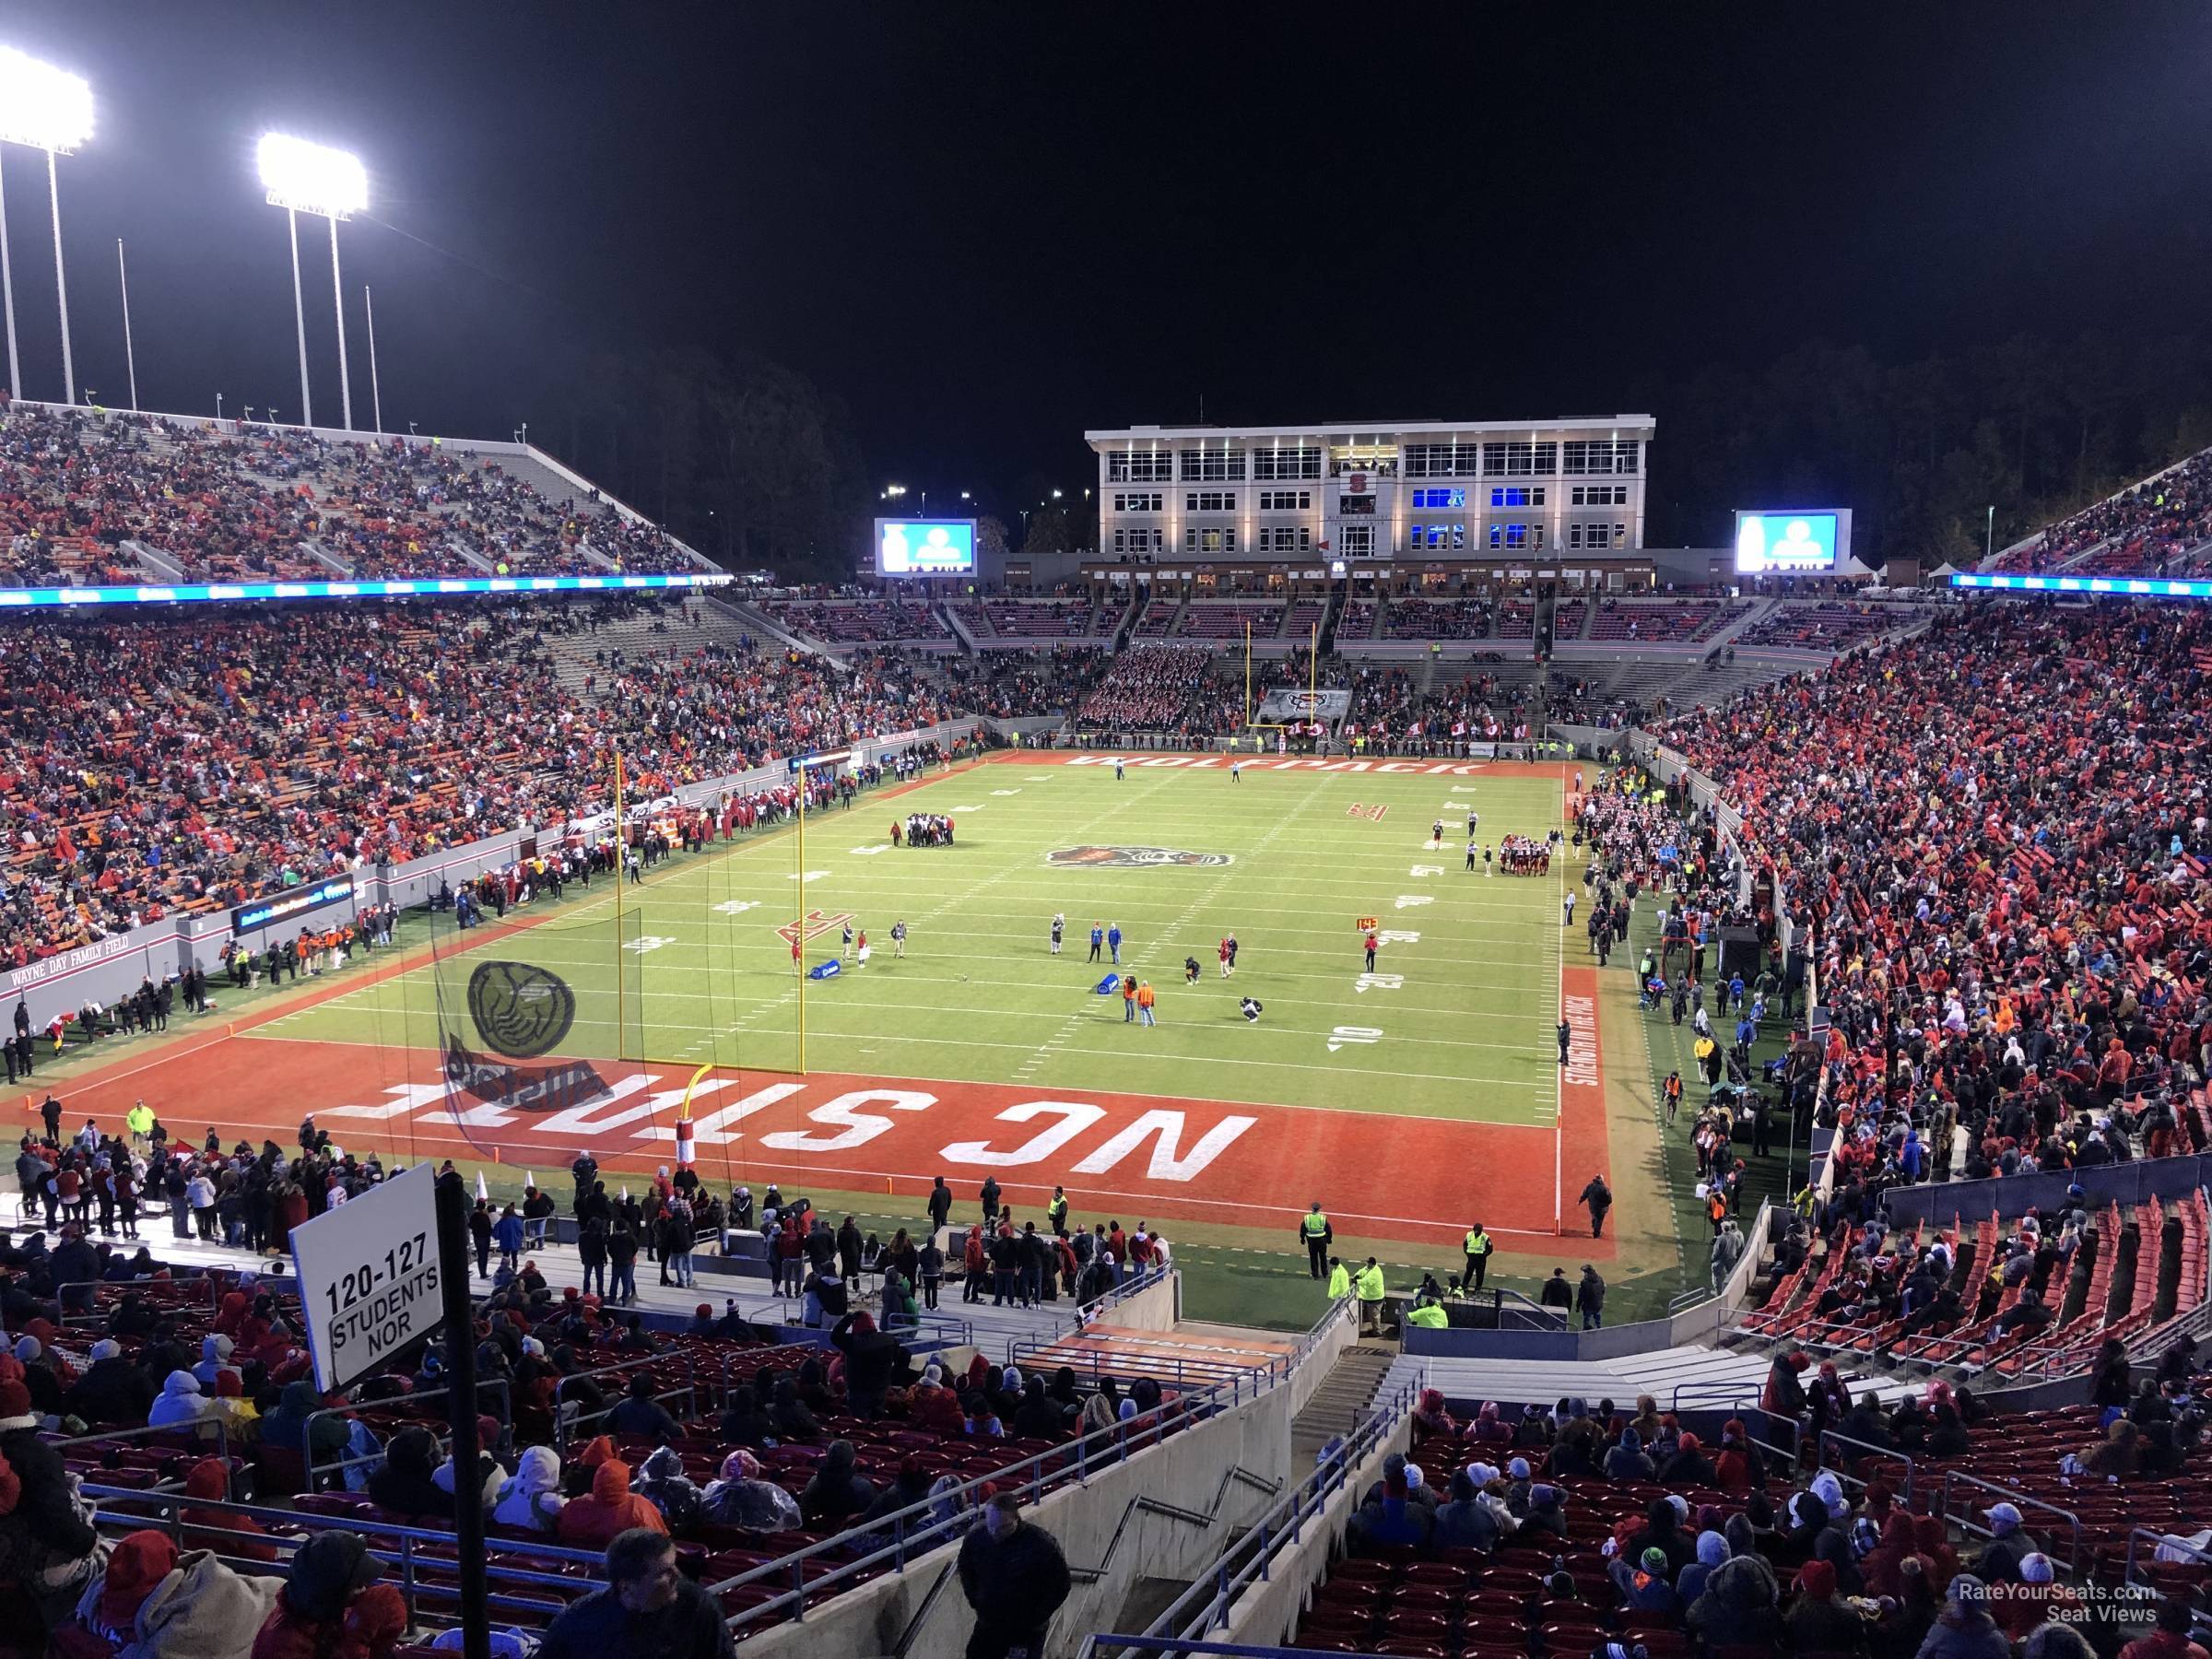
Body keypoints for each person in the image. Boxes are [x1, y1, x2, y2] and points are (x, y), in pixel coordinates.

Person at [536, 1527, 735, 1659]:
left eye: (674, 1565)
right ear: (626, 1586)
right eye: (664, 1572)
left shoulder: (697, 1607)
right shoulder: (579, 1621)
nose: (677, 1575)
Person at [250, 1530, 409, 1659]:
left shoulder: (322, 1612)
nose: (364, 1590)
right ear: (332, 1592)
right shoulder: (284, 1647)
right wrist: (358, 1636)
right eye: (357, 1585)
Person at [957, 1492, 1072, 1659]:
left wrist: (1036, 1616)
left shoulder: (1041, 1544)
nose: (996, 1533)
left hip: (1026, 1630)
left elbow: (1061, 1584)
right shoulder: (977, 1537)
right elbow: (966, 1568)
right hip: (989, 1623)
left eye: (1003, 1527)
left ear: (1016, 1519)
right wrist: (976, 1600)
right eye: (991, 1526)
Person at [1355, 1256, 1387, 1335]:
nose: (1367, 1265)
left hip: (1375, 1298)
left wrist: (1357, 1281)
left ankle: (1377, 1332)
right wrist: (1357, 1275)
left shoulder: (1375, 1273)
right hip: (1372, 1297)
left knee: (1374, 1316)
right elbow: (1363, 1270)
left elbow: (1367, 1281)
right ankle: (1375, 1329)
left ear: (1372, 1264)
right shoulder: (1370, 1268)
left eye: (1368, 1263)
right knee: (1373, 1315)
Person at [1300, 1204, 1333, 1279]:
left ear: (1312, 1209)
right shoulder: (1322, 1218)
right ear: (1319, 1209)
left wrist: (1302, 1239)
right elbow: (1328, 1229)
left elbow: (1303, 1229)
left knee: (1313, 1257)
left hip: (1311, 1241)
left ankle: (1315, 1274)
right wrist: (1329, 1239)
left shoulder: (1307, 1218)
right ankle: (1325, 1274)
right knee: (1323, 1257)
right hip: (1322, 1240)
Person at [1463, 1221, 1493, 1292]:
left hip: (1480, 1259)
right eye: (1475, 1230)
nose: (1476, 1232)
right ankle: (1464, 1287)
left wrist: (1483, 1255)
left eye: (1478, 1231)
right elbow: (1465, 1244)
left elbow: (1490, 1248)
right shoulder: (1469, 1235)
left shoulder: (1485, 1237)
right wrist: (1467, 1252)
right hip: (1471, 1258)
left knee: (1480, 1275)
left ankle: (1478, 1289)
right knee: (1468, 1273)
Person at [1580, 1173, 1612, 1238]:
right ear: (1601, 1179)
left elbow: (1585, 1194)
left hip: (1592, 1207)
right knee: (1599, 1220)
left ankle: (1594, 1225)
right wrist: (1605, 1205)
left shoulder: (1590, 1186)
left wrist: (1580, 1201)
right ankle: (1596, 1234)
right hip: (1601, 1208)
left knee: (1594, 1216)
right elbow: (1609, 1199)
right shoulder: (1604, 1189)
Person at [1575, 1263, 1606, 1330]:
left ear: (1586, 1273)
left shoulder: (1584, 1282)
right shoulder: (1600, 1279)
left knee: (1586, 1322)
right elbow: (1603, 1291)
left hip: (1588, 1306)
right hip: (1598, 1305)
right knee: (1598, 1322)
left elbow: (1581, 1296)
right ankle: (1599, 1332)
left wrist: (1578, 1306)